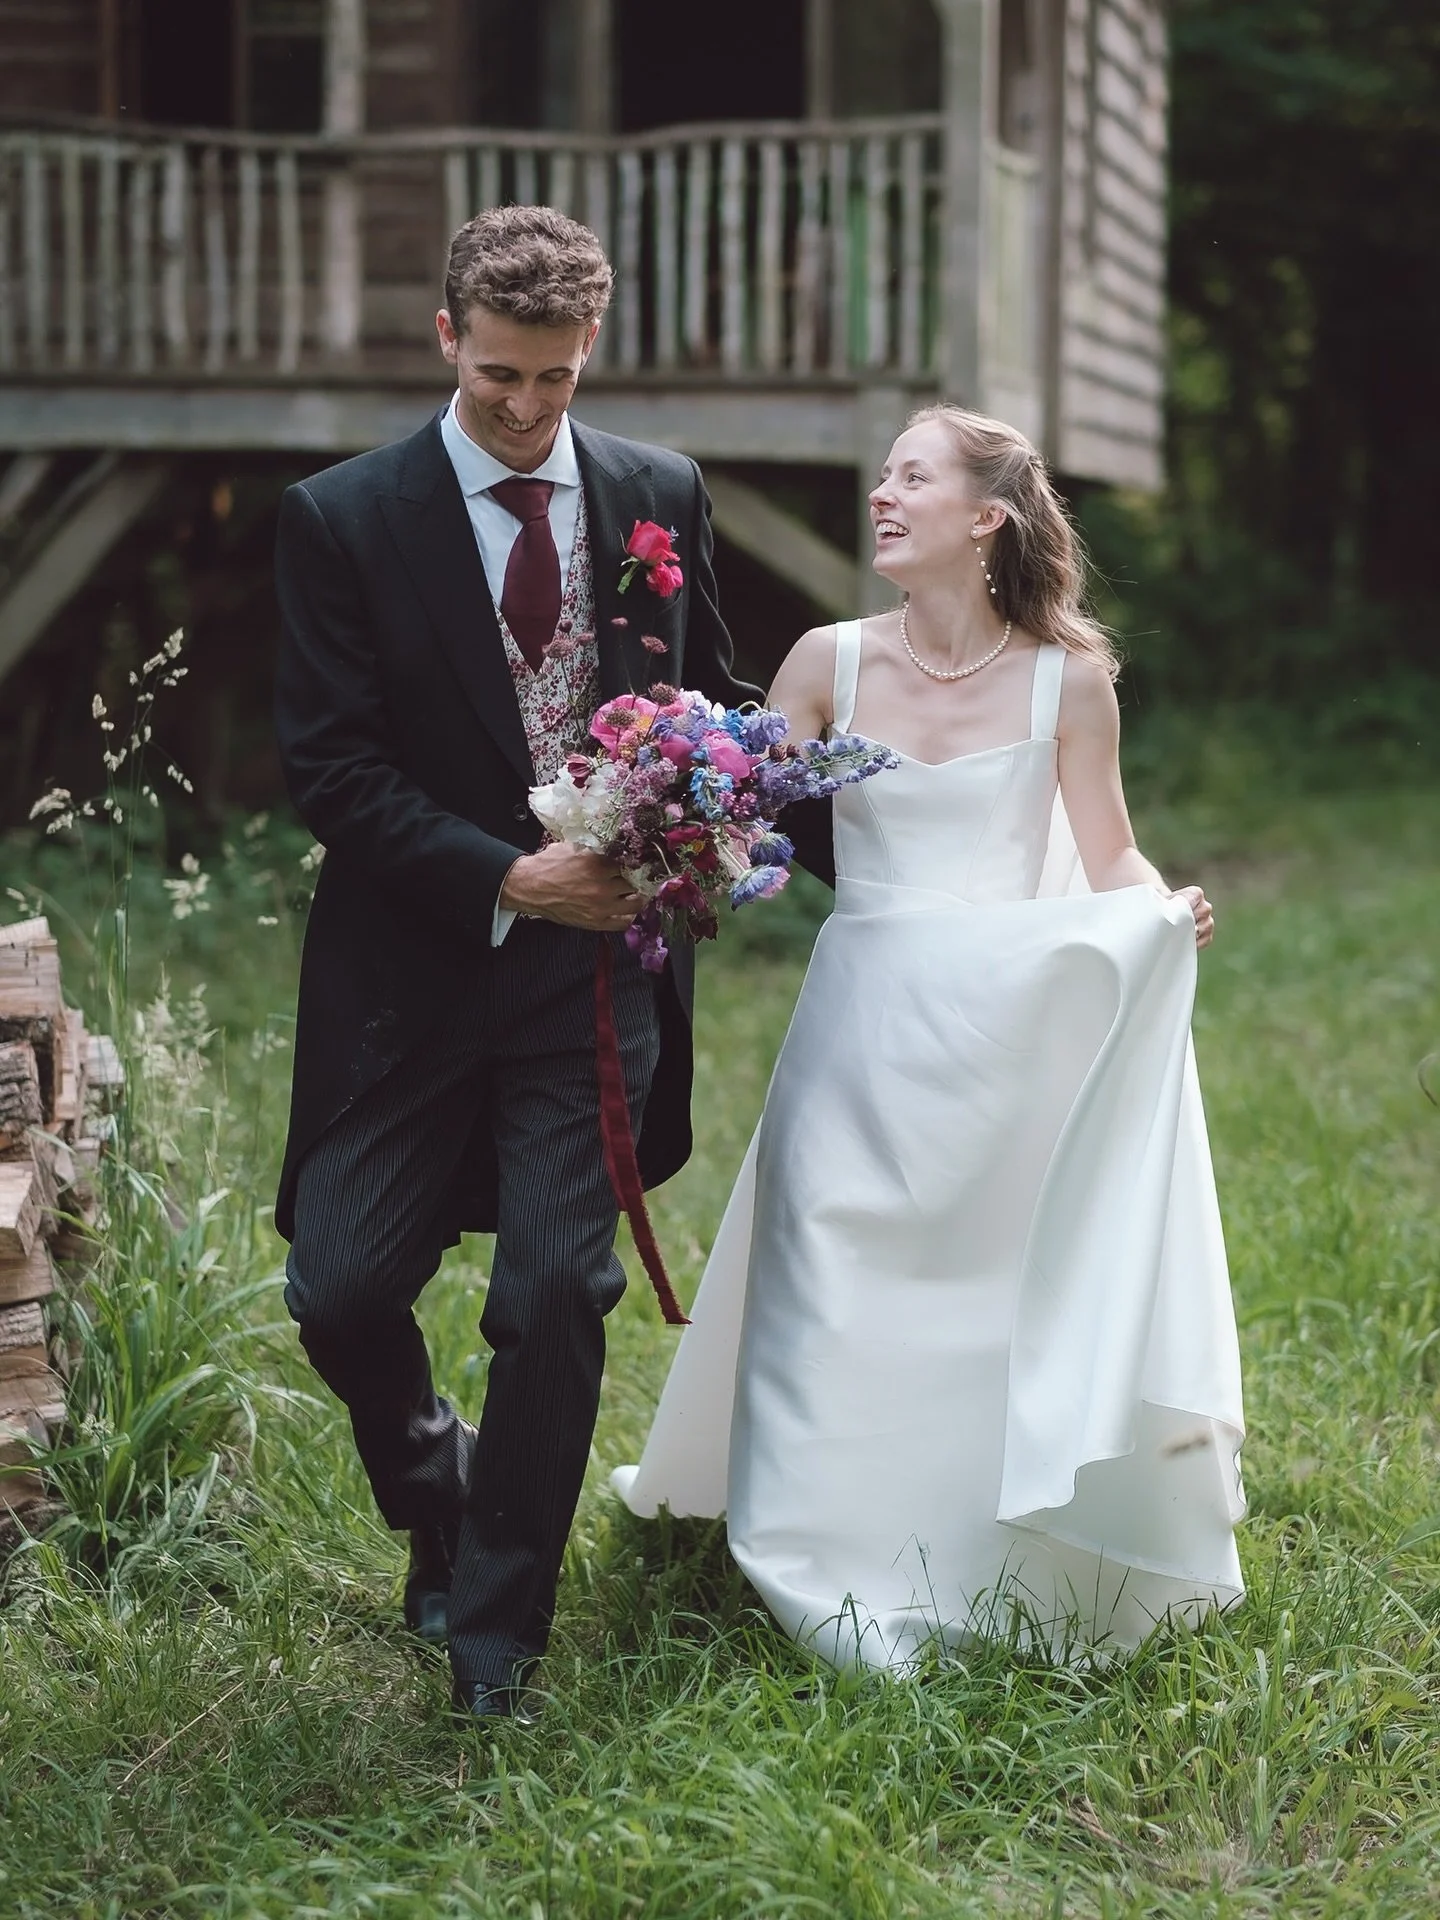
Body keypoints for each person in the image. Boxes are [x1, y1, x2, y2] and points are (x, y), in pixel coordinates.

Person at [614, 406, 1246, 1670]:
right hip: (863, 1019)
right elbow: (727, 803)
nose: (885, 496)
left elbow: (1106, 844)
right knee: (829, 1269)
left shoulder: (1071, 679)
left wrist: (1160, 911)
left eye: (916, 477)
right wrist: (652, 826)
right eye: (886, 476)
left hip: (1003, 1022)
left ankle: (973, 1542)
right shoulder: (827, 660)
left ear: (987, 517)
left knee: (983, 1291)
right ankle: (811, 1551)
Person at [273, 205, 761, 1720]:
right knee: (341, 1287)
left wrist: (720, 816)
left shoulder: (654, 491)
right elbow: (334, 775)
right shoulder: (342, 519)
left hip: (591, 985)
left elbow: (716, 701)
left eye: (555, 379)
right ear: (445, 340)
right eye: (499, 377)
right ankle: (442, 1493)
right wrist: (509, 876)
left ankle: (497, 1636)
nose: (529, 410)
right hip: (411, 978)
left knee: (556, 1295)